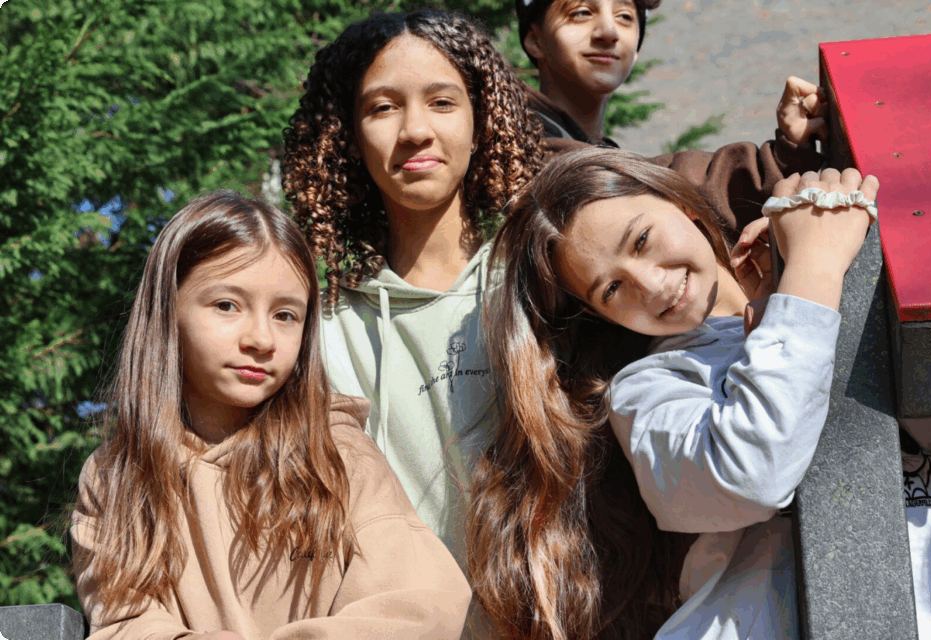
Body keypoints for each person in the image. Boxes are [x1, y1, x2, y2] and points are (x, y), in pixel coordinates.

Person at [473, 146, 931, 640]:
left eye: (641, 239)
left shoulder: (829, 291)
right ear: (599, 314)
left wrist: (851, 295)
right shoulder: (647, 392)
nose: (650, 282)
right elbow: (752, 475)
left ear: (683, 205)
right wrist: (813, 270)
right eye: (612, 288)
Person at [70, 191, 471, 640]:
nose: (261, 338)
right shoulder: (115, 479)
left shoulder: (336, 457)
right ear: (168, 312)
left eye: (285, 315)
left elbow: (423, 602)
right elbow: (126, 625)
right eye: (227, 305)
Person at [282, 10, 544, 637]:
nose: (416, 130)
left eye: (442, 102)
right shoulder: (320, 334)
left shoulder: (542, 286)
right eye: (382, 108)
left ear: (483, 123)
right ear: (347, 136)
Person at [515, 0, 830, 236]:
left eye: (625, 17)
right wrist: (776, 160)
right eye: (581, 12)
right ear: (535, 40)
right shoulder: (519, 152)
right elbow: (651, 184)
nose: (609, 32)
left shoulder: (593, 148)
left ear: (636, 49)